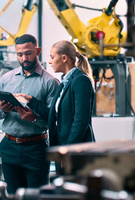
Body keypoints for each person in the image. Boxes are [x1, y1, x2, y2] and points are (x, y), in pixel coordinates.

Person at [0, 34, 59, 194]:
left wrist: (34, 119)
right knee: (13, 194)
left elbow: (53, 120)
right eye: (19, 54)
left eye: (28, 53)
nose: (24, 58)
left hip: (36, 148)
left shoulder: (50, 82)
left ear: (38, 51)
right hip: (9, 146)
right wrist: (3, 109)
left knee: (36, 196)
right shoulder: (6, 79)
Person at [15, 40, 95, 171]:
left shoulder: (80, 80)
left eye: (52, 57)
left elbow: (81, 121)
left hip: (75, 150)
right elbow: (53, 116)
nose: (50, 62)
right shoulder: (64, 82)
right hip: (61, 147)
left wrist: (67, 152)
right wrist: (30, 100)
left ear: (64, 58)